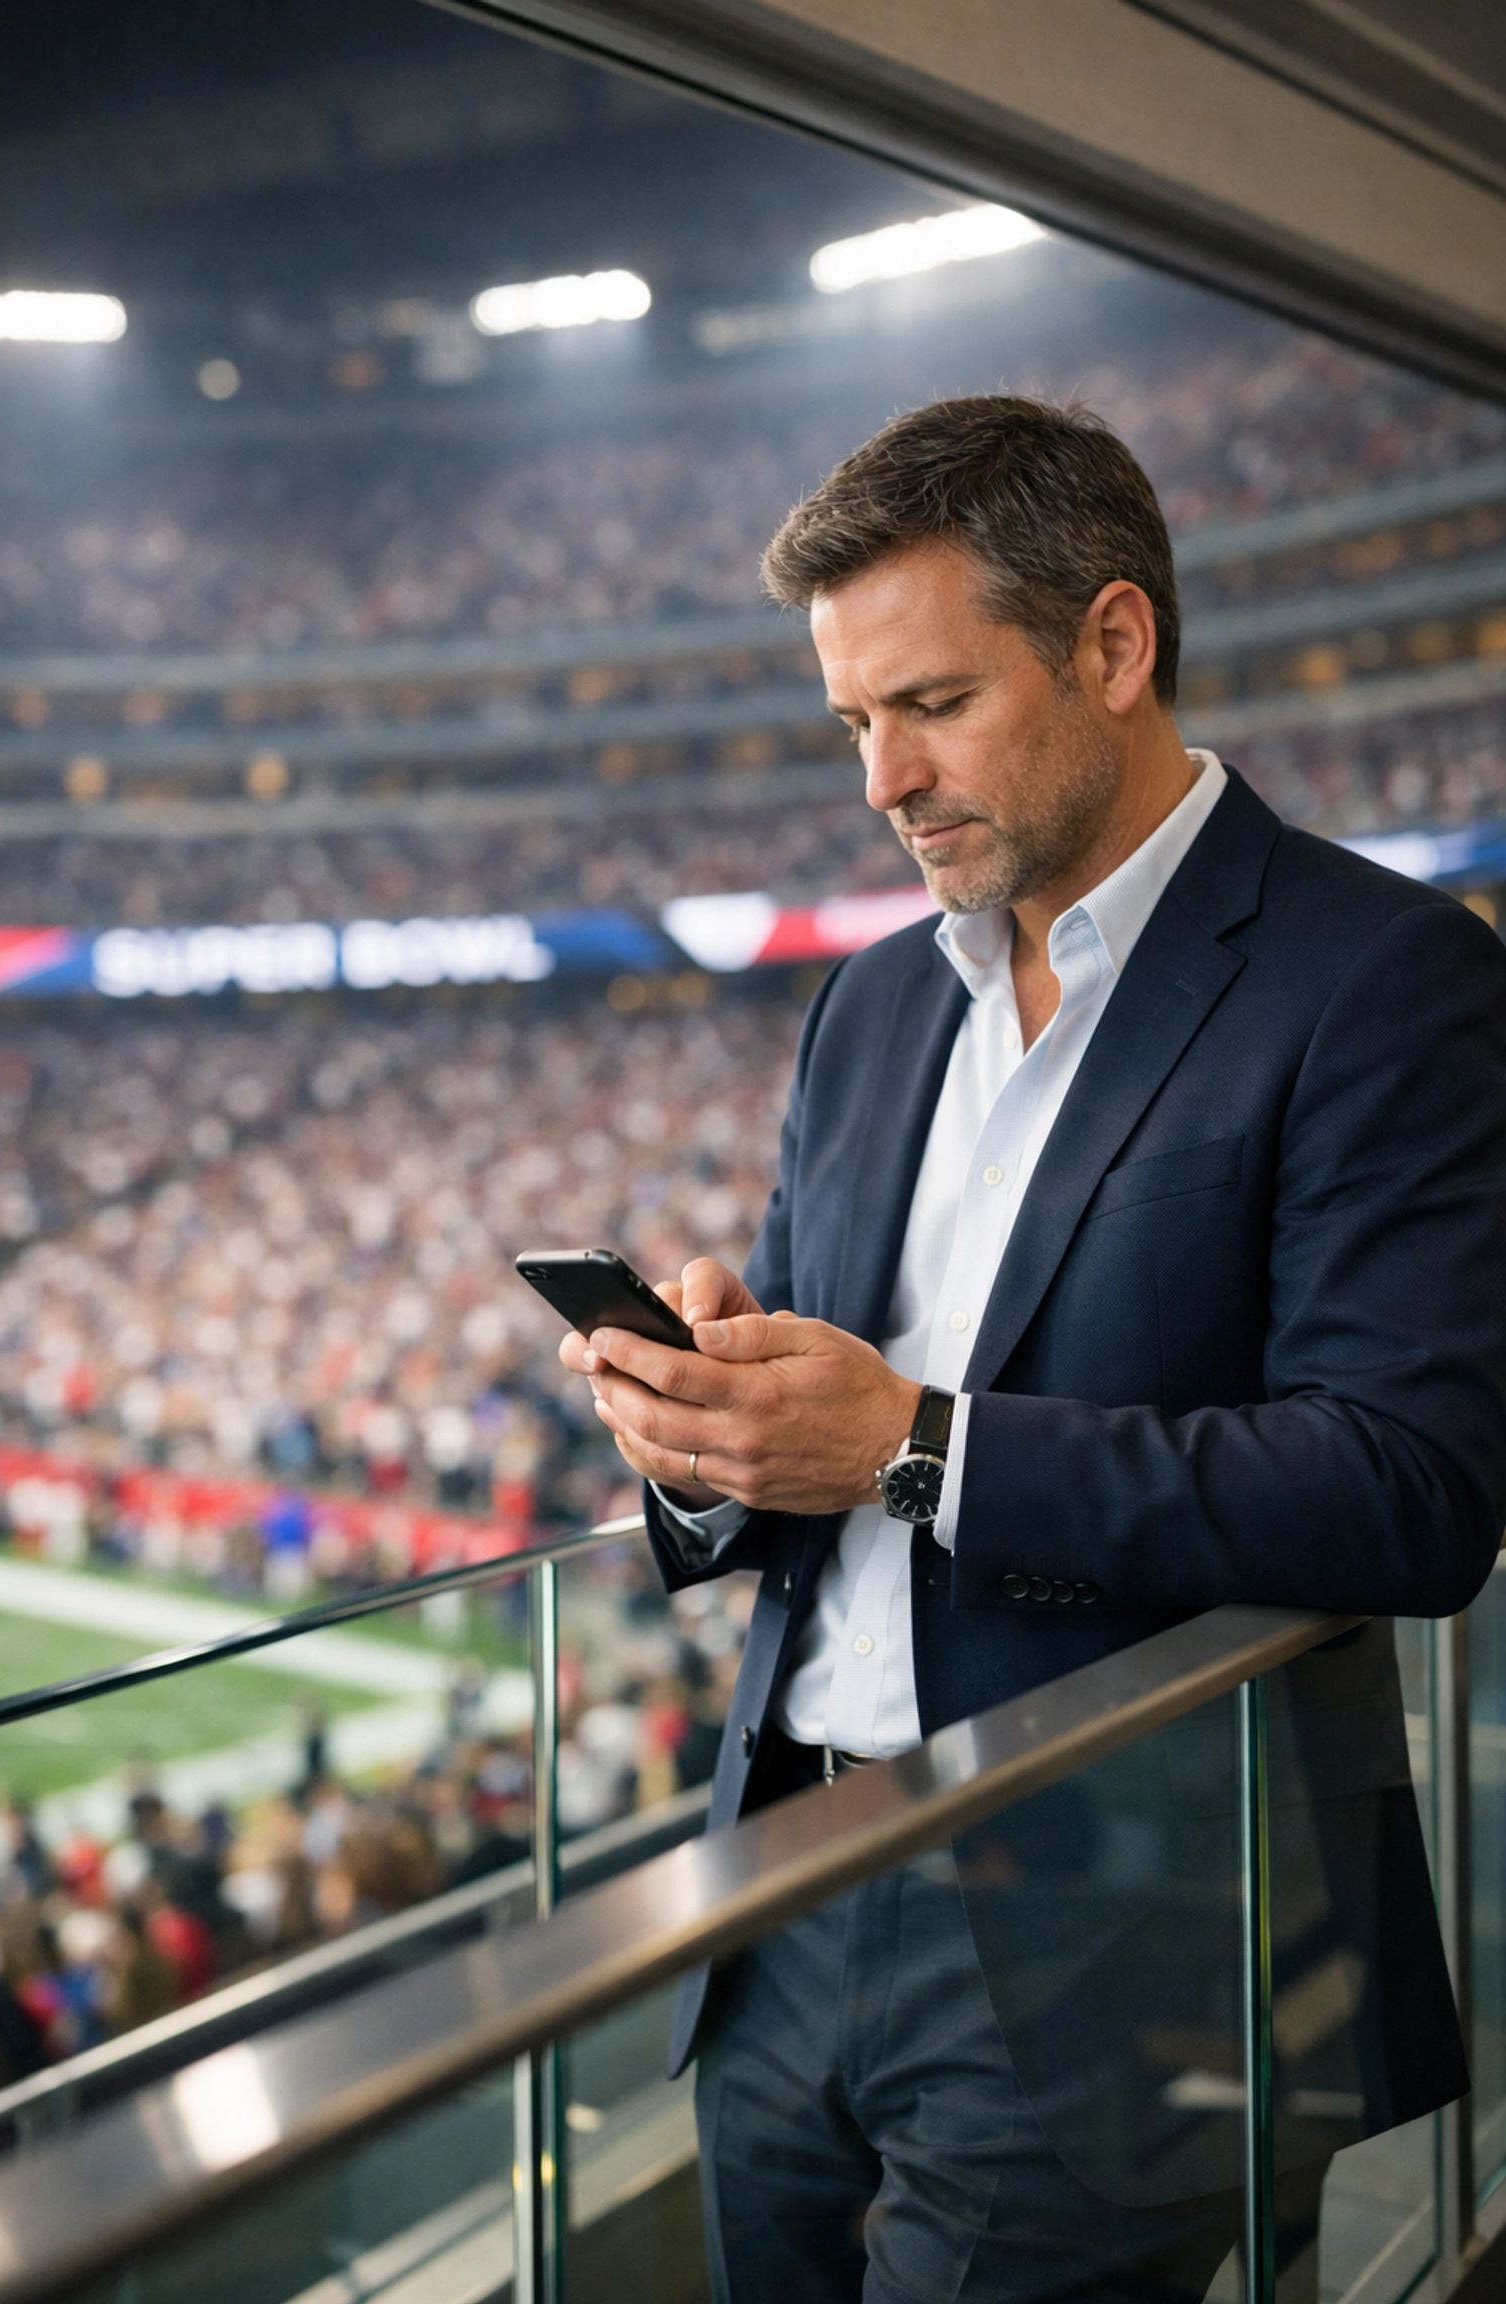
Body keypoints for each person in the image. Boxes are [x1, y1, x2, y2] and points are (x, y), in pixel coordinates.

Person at [560, 396, 1506, 2303]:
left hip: (1121, 1919)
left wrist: (913, 1442)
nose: (881, 781)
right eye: (852, 725)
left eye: (930, 705)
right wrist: (704, 1431)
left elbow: (1413, 1493)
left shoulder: (1383, 980)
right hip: (785, 1884)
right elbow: (804, 1436)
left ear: (1113, 643)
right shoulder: (869, 1008)